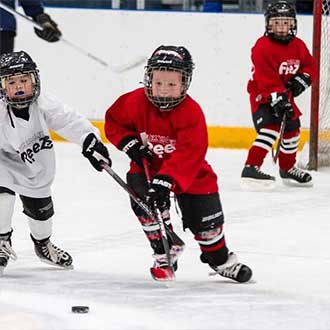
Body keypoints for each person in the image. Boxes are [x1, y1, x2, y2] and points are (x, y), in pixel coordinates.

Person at [104, 45, 252, 283]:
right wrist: (129, 144)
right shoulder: (134, 101)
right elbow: (113, 121)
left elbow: (191, 151)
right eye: (158, 83)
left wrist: (166, 179)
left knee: (207, 224)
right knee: (145, 202)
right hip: (147, 167)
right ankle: (164, 252)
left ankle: (219, 260)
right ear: (148, 79)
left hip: (190, 172)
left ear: (184, 84)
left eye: (171, 85)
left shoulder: (191, 112)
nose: (163, 91)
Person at [0, 50, 111, 275]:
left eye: (24, 80)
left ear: (35, 81)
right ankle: (1, 243)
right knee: (3, 197)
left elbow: (68, 119)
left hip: (36, 169)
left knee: (41, 214)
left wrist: (89, 140)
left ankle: (43, 245)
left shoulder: (43, 103)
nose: (19, 87)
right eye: (12, 82)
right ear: (2, 86)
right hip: (3, 161)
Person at [241, 0, 316, 189]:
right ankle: (251, 167)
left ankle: (287, 168)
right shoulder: (262, 47)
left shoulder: (298, 45)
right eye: (276, 23)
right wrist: (276, 97)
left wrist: (303, 79)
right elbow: (265, 78)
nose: (281, 27)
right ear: (268, 25)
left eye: (285, 23)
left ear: (293, 24)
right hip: (262, 95)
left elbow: (309, 65)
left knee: (292, 130)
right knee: (270, 129)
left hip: (285, 94)